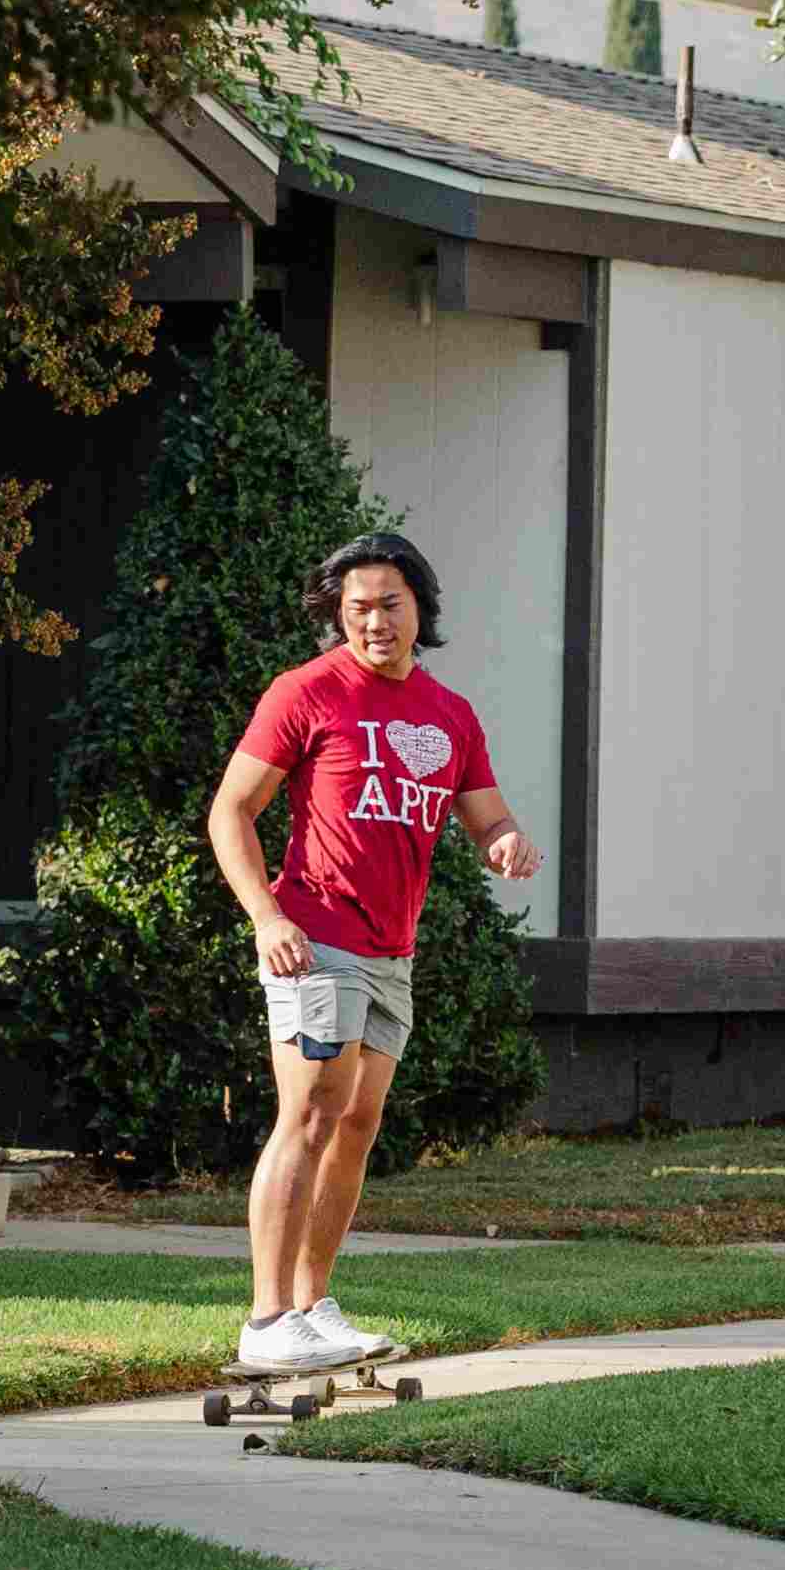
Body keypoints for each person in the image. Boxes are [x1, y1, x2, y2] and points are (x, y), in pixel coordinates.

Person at [205, 532, 541, 1376]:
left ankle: (312, 1307)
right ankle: (265, 1316)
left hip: (393, 952)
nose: (374, 621)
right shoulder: (306, 692)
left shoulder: (449, 713)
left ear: (419, 607)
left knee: (356, 1127)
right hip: (315, 939)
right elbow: (229, 813)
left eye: (390, 603)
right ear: (338, 614)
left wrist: (505, 844)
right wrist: (265, 917)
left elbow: (486, 817)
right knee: (310, 1115)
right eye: (357, 607)